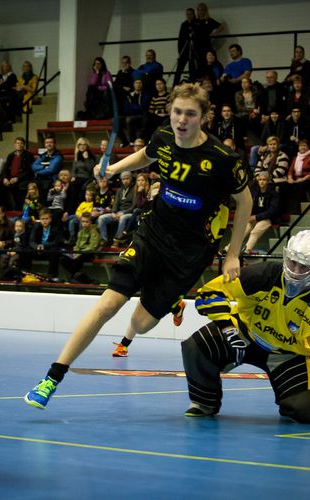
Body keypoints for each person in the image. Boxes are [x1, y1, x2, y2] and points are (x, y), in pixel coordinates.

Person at [25, 83, 252, 408]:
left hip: (189, 253)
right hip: (152, 234)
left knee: (142, 325)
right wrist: (114, 168)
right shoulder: (164, 137)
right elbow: (146, 156)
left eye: (190, 114)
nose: (182, 119)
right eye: (177, 112)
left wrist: (233, 254)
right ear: (169, 112)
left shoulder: (222, 158)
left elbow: (245, 202)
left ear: (203, 117)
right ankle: (52, 378)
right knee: (107, 305)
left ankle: (170, 302)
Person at [182, 230, 310, 427]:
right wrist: (227, 327)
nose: (295, 270)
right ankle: (204, 403)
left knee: (306, 412)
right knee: (195, 347)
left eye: (304, 266)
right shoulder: (261, 274)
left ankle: (305, 400)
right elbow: (210, 292)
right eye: (292, 262)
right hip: (242, 335)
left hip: (288, 355)